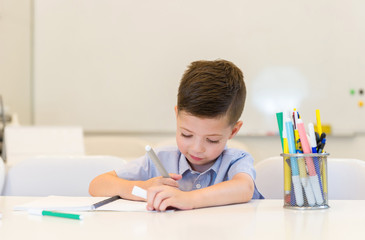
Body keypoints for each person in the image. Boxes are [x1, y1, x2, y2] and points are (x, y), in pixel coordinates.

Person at [89, 59, 263, 211]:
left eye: (212, 140)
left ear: (233, 131)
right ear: (176, 115)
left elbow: (244, 187)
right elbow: (97, 184)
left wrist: (189, 199)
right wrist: (143, 187)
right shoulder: (160, 159)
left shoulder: (236, 161)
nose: (197, 148)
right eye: (186, 134)